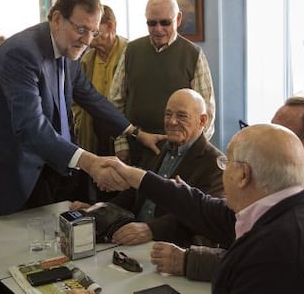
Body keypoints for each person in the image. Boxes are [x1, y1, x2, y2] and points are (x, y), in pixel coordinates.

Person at [0, 0, 165, 218]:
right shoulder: (21, 53)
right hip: (3, 169)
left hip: (44, 164)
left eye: (93, 32)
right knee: (8, 247)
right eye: (81, 29)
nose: (88, 40)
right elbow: (31, 127)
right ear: (57, 19)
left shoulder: (69, 50)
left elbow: (92, 98)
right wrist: (90, 162)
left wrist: (135, 132)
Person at [105, 124, 304, 293]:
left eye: (226, 163)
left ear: (243, 175)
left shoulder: (278, 252)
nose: (222, 170)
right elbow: (200, 207)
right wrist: (133, 175)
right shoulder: (291, 211)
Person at [145, 96, 304, 281]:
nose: (269, 135)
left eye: (280, 131)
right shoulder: (271, 181)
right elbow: (221, 215)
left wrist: (188, 261)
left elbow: (274, 269)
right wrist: (141, 179)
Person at [72, 89, 224, 246]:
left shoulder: (214, 164)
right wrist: (98, 210)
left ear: (202, 121)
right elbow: (132, 193)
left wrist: (152, 229)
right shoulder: (156, 147)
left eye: (181, 116)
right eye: (168, 114)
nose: (172, 122)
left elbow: (205, 219)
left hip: (170, 251)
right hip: (131, 242)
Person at [108, 0, 216, 165]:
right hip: (134, 149)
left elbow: (206, 114)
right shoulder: (131, 51)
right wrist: (121, 144)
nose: (158, 29)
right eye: (152, 23)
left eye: (165, 22)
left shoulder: (193, 55)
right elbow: (115, 102)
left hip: (177, 154)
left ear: (178, 19)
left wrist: (189, 151)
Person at [73, 4, 128, 156]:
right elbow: (76, 99)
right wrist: (79, 122)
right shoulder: (86, 59)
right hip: (92, 134)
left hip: (122, 132)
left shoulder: (129, 53)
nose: (88, 40)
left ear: (110, 26)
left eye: (95, 33)